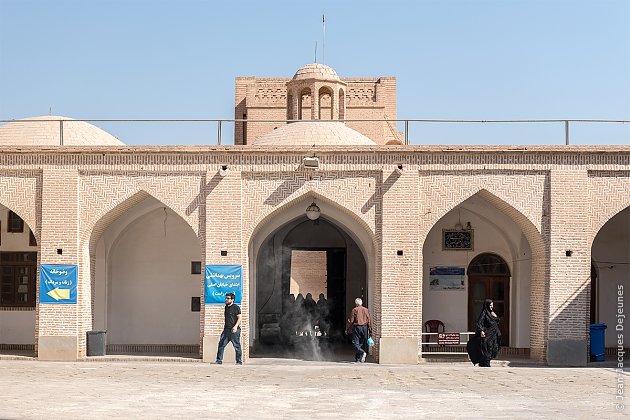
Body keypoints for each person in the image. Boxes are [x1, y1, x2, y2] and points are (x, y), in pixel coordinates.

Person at [216, 292, 243, 365]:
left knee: (236, 346)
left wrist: (235, 327)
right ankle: (219, 360)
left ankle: (239, 361)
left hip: (234, 330)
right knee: (221, 344)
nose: (226, 300)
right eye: (226, 298)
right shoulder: (226, 307)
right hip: (226, 330)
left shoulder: (236, 307)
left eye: (228, 298)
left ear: (232, 300)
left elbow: (239, 318)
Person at [475, 299, 501, 367]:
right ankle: (485, 364)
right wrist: (481, 331)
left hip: (493, 335)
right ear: (487, 306)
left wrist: (493, 313)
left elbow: (497, 319)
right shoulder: (484, 313)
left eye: (492, 305)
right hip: (487, 335)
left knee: (493, 348)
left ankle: (485, 363)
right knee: (487, 349)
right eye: (490, 305)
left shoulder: (491, 313)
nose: (491, 307)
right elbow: (479, 323)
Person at [345, 297, 371, 363]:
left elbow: (351, 320)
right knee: (361, 343)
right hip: (364, 327)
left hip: (357, 327)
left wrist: (347, 329)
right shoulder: (366, 310)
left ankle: (362, 352)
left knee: (355, 342)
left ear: (356, 304)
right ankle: (358, 359)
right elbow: (369, 320)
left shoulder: (355, 310)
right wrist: (370, 330)